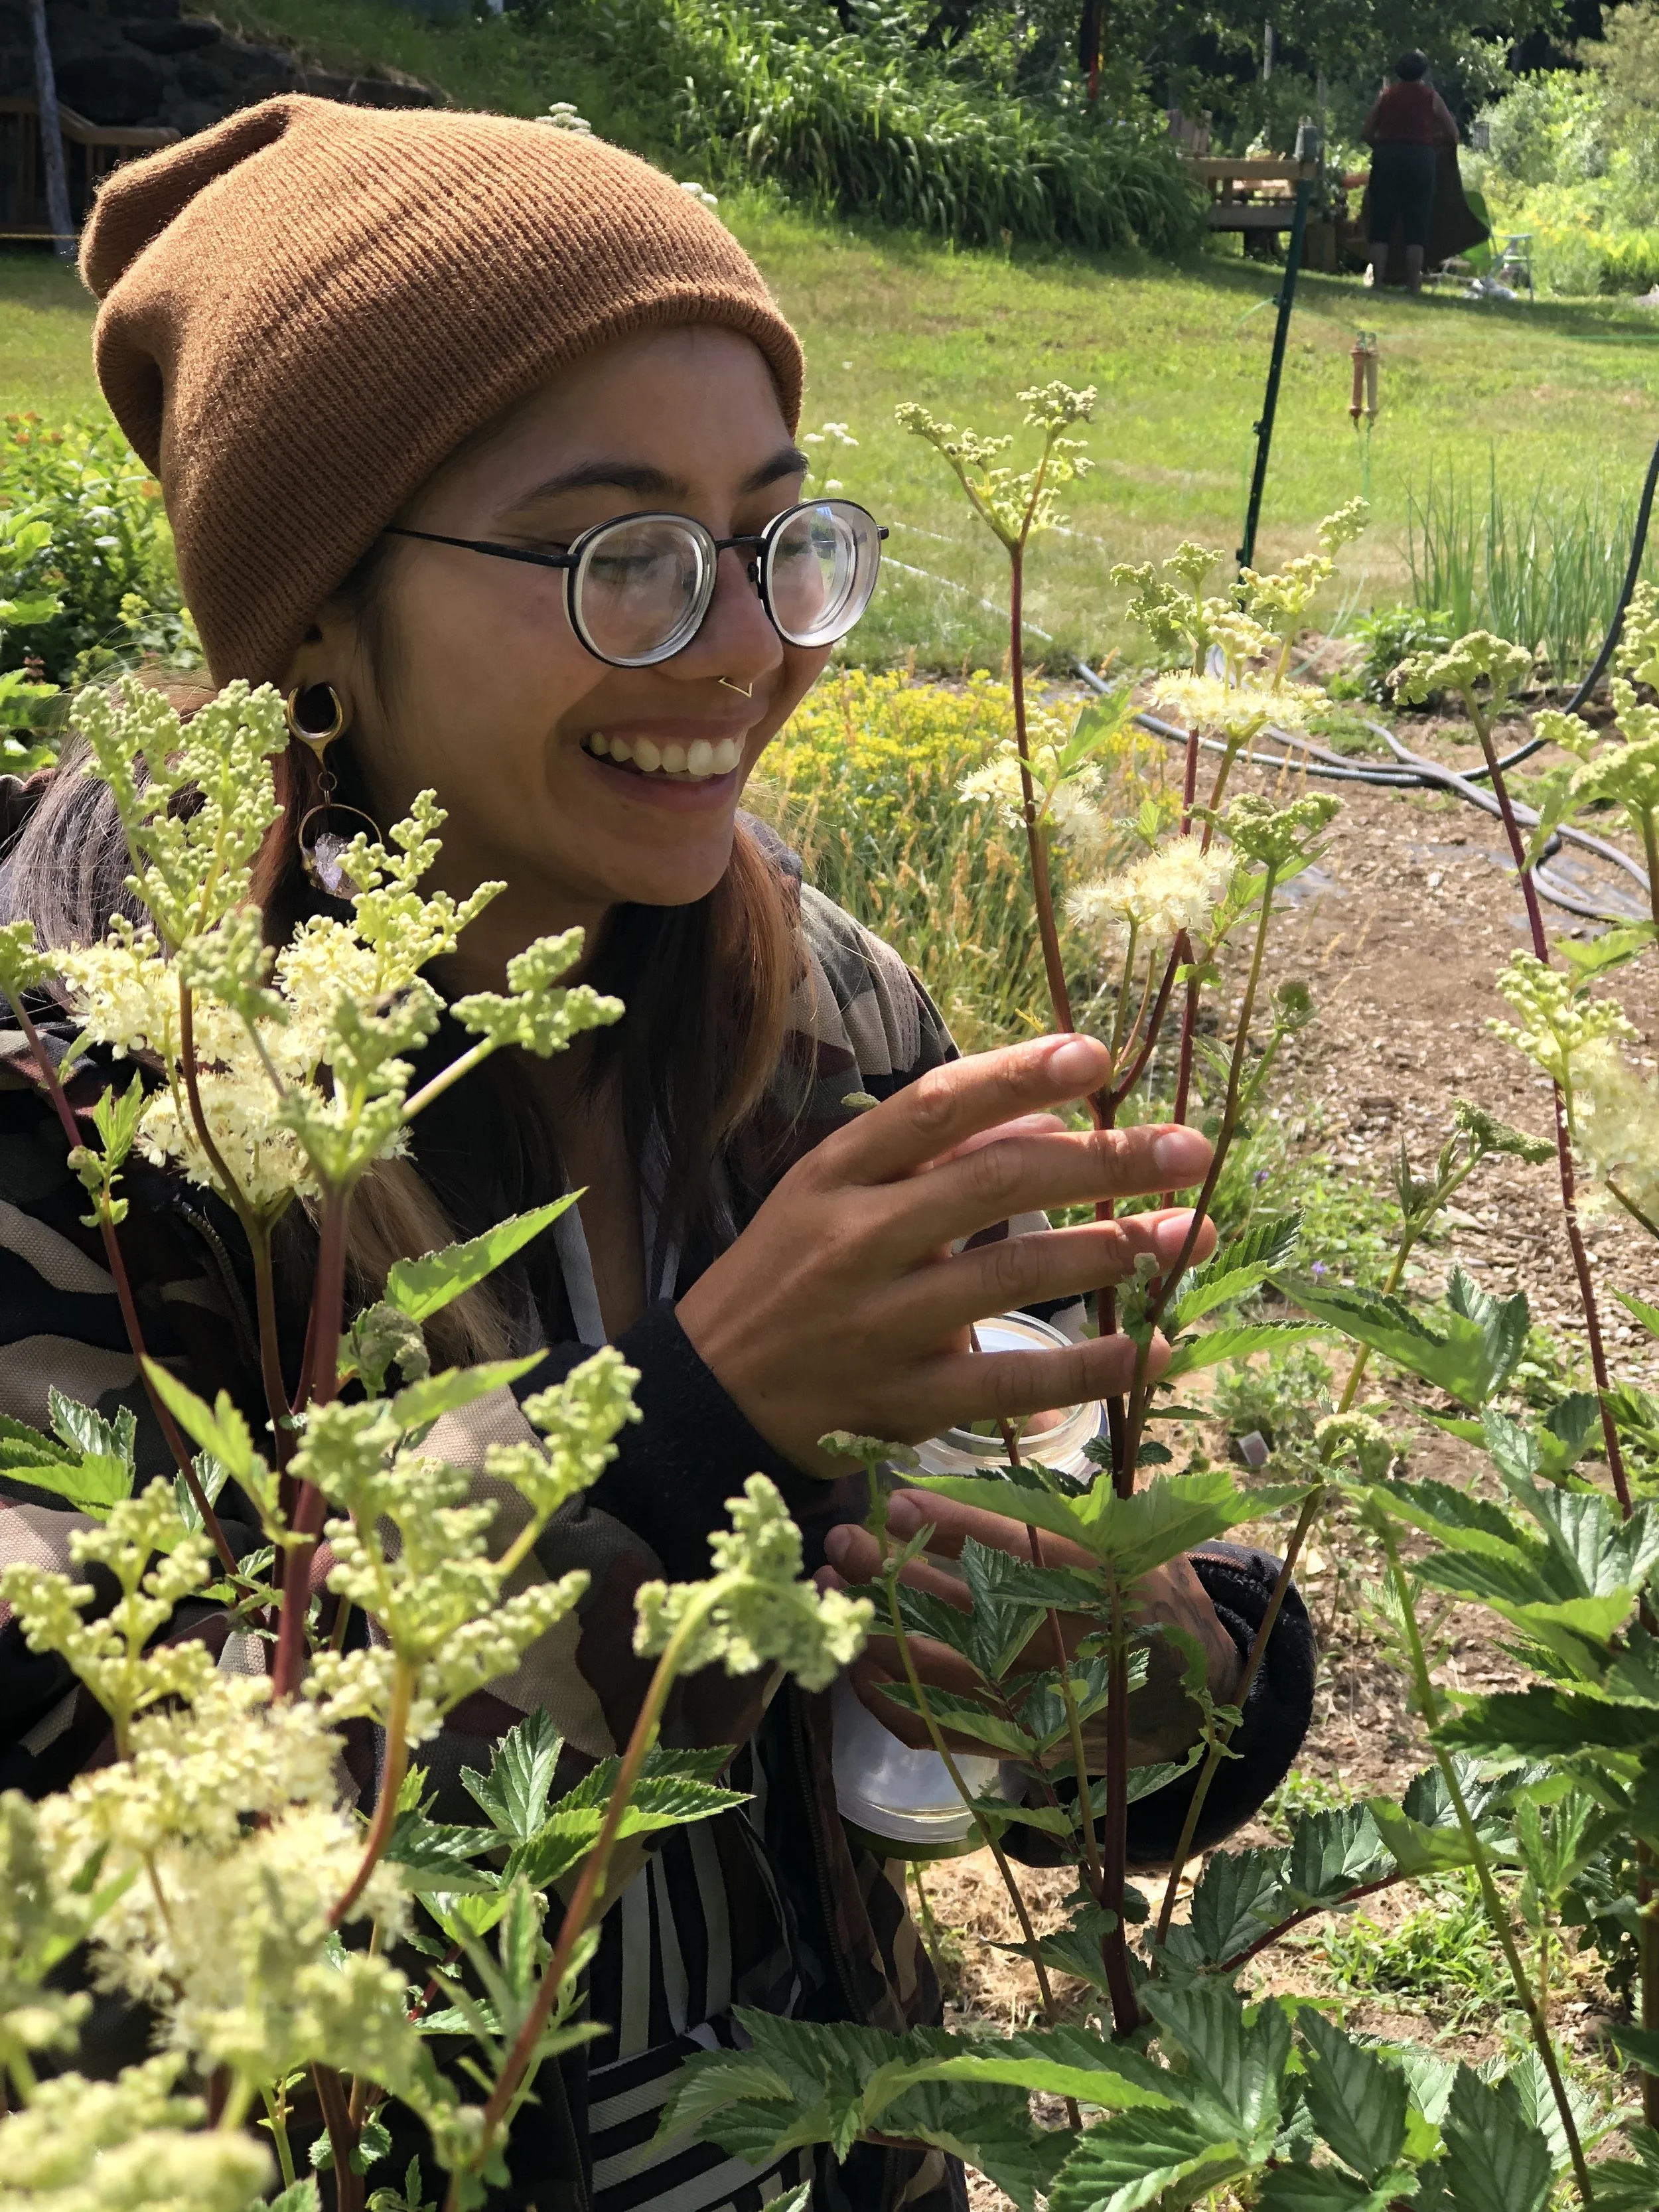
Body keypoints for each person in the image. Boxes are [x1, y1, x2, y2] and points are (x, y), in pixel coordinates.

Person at [0, 98, 1317, 2212]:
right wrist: (683, 1438)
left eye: (778, 538)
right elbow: (85, 1899)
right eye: (618, 556)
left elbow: (1005, 1701)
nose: (744, 645)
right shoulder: (75, 1112)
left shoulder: (823, 1011)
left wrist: (1144, 1660)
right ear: (315, 614)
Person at [1361, 50, 1461, 294]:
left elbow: (1366, 132)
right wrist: (1430, 142)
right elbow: (1453, 134)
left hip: (1387, 158)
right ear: (1423, 72)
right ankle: (1414, 284)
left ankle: (1378, 282)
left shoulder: (1386, 96)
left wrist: (1383, 146)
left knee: (1381, 221)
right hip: (1420, 160)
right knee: (1417, 221)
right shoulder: (1431, 97)